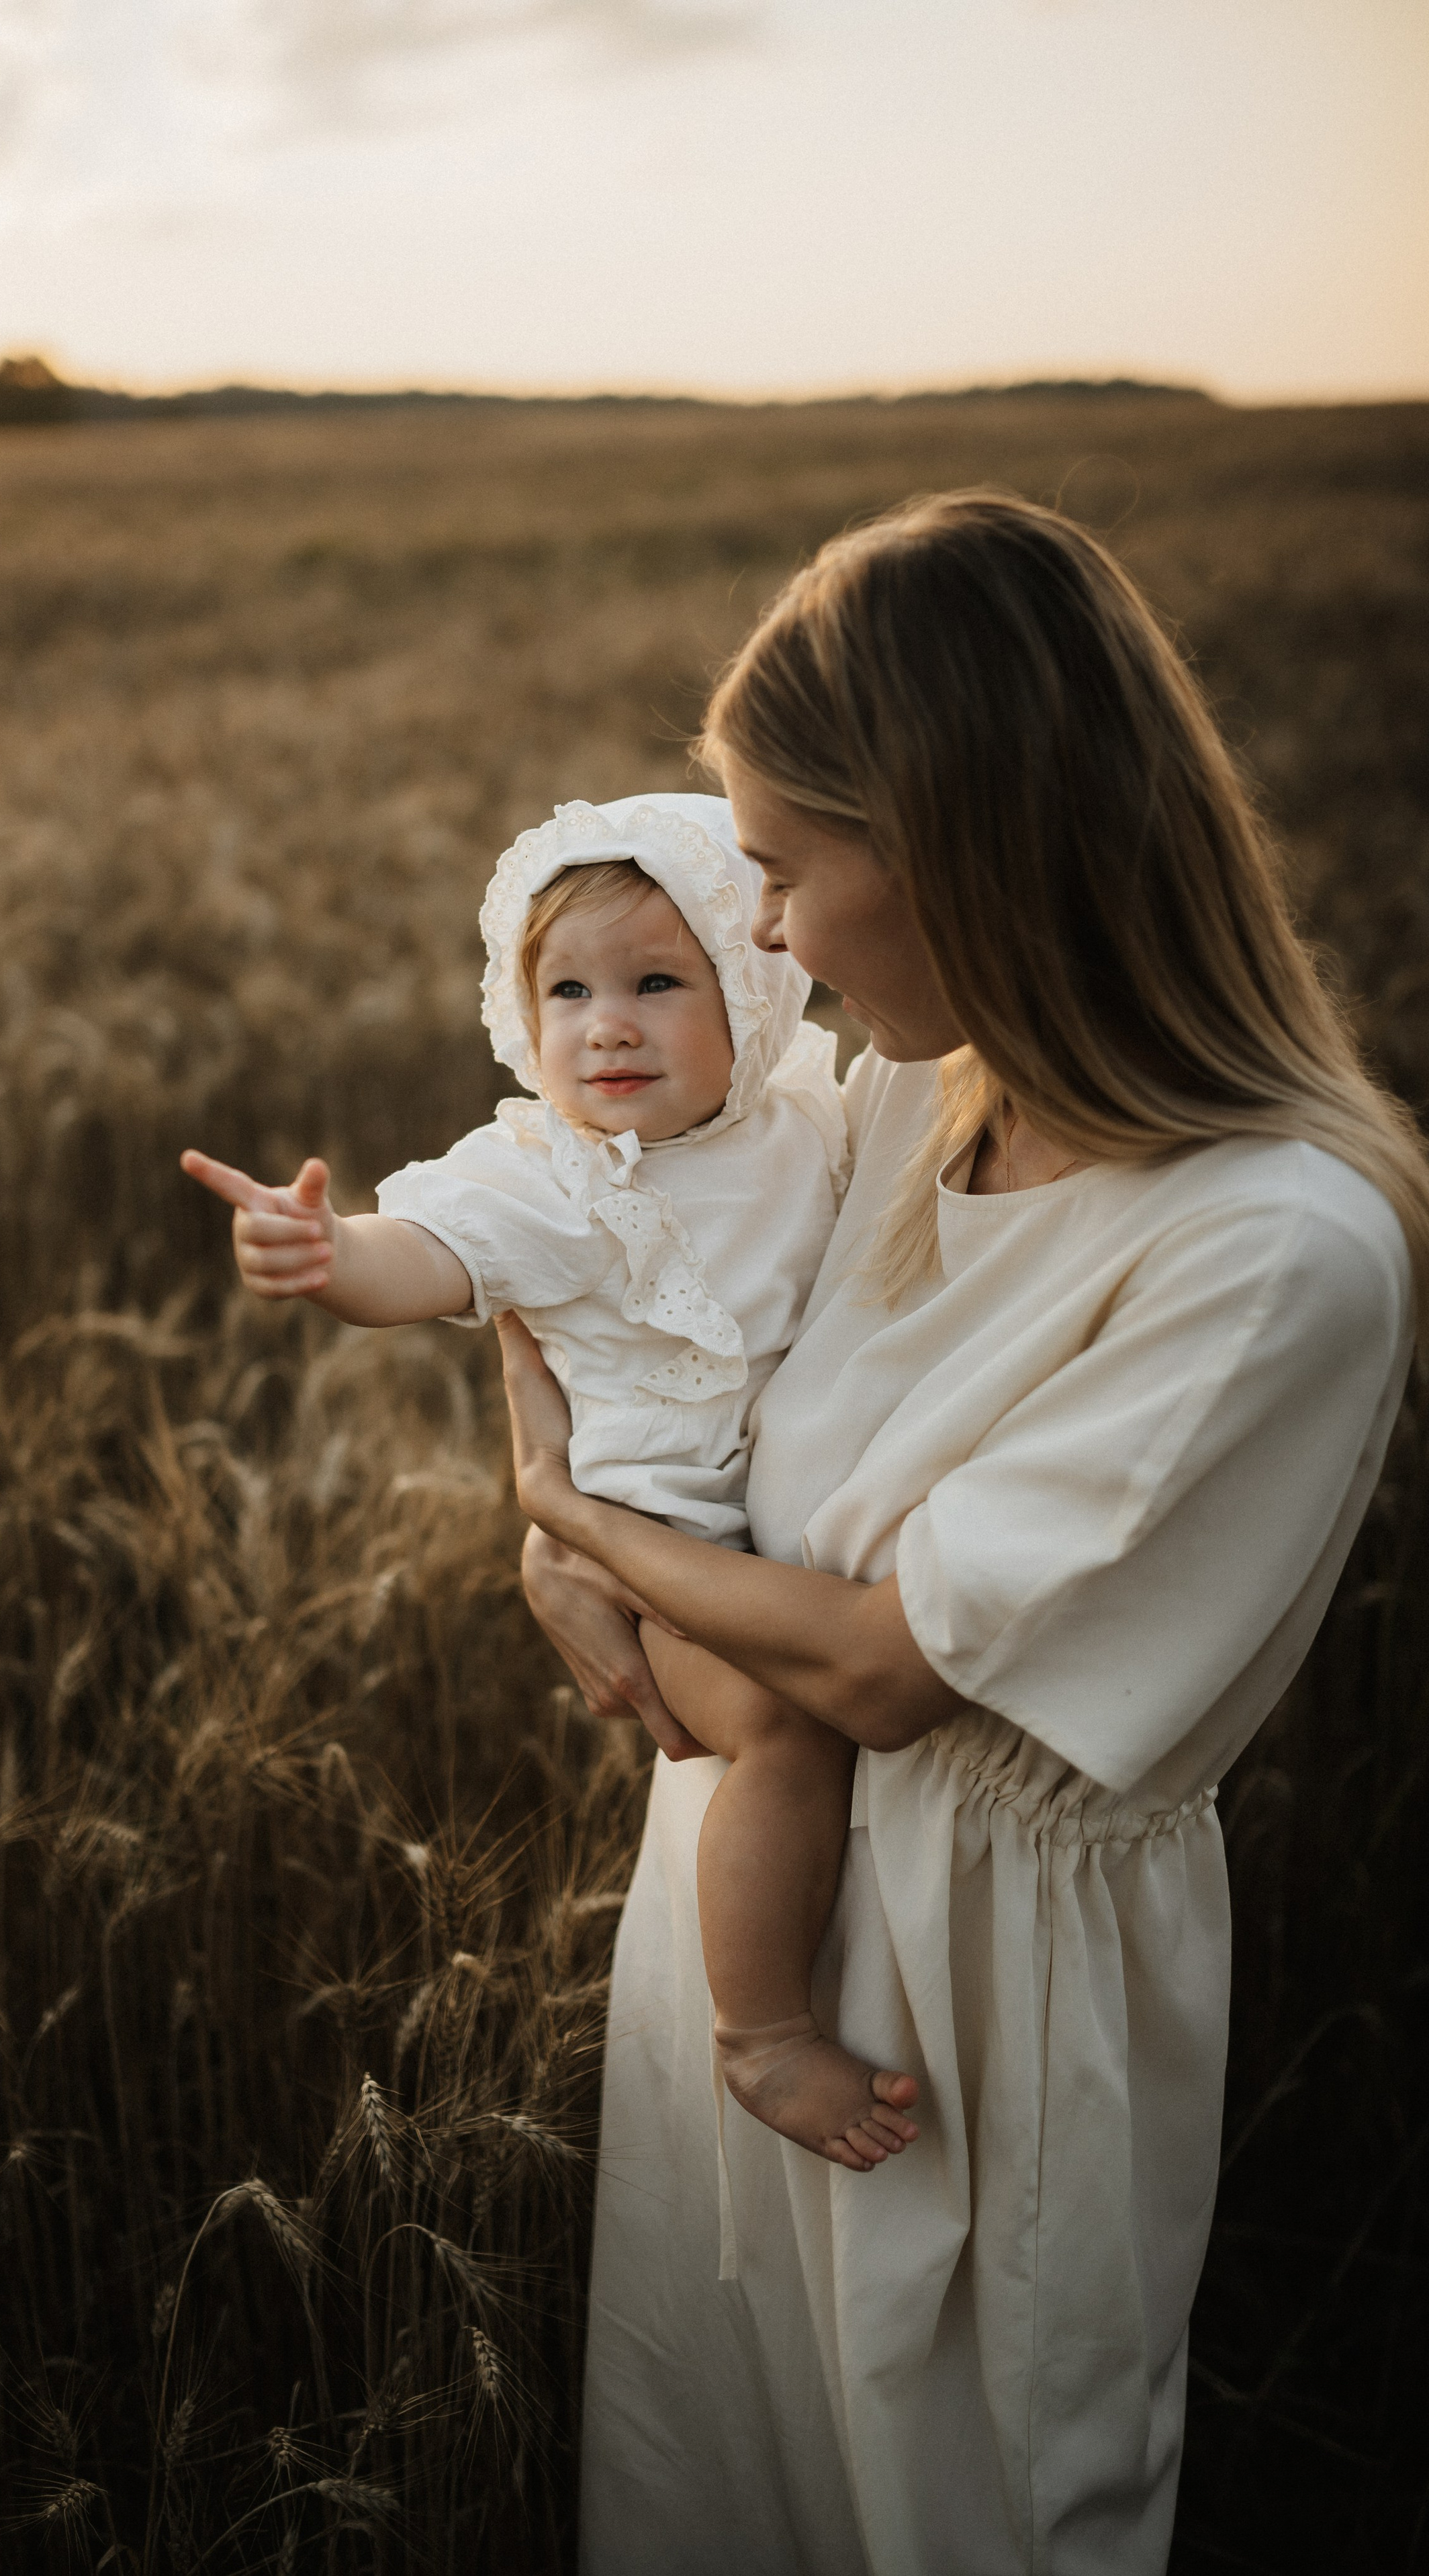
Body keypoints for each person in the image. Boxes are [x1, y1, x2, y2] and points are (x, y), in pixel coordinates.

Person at [500, 493, 1429, 2575]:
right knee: (707, 2472)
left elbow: (882, 1668)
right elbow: (605, 1260)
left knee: (966, 2513)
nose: (766, 932)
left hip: (973, 2017)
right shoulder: (917, 1098)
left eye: (786, 864)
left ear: (959, 843)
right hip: (748, 1925)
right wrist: (560, 1511)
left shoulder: (1275, 1248)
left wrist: (570, 1517)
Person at [181, 793, 922, 2170]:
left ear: (753, 990)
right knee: (777, 1730)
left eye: (656, 982)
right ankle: (759, 2032)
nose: (607, 1025)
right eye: (565, 991)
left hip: (789, 1539)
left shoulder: (808, 1105)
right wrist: (325, 1254)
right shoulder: (551, 1176)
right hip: (659, 1556)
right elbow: (425, 1254)